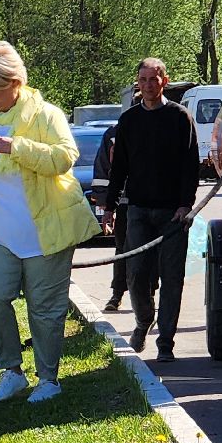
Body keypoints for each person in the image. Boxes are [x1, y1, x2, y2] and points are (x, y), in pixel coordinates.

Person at [0, 41, 97, 404]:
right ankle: (11, 372)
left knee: (45, 310)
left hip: (45, 231)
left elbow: (65, 158)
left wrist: (17, 148)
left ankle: (48, 379)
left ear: (13, 82)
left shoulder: (45, 114)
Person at [103, 58, 199, 363]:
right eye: (142, 80)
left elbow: (190, 165)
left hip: (173, 213)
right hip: (139, 211)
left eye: (153, 80)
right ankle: (144, 320)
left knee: (172, 278)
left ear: (164, 81)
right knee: (135, 274)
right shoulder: (129, 120)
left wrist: (186, 204)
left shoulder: (180, 117)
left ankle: (166, 343)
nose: (147, 85)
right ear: (138, 83)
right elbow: (119, 167)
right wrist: (110, 206)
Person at [92, 117, 130, 312]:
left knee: (151, 252)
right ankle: (117, 293)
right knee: (122, 249)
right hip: (123, 204)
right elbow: (103, 169)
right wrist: (107, 206)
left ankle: (148, 294)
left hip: (152, 203)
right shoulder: (114, 133)